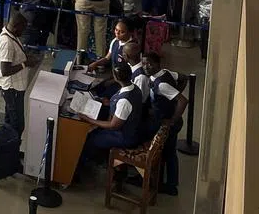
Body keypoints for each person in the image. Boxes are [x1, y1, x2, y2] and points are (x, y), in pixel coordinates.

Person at [142, 51, 189, 195]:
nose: (146, 66)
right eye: (144, 63)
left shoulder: (161, 85)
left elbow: (183, 100)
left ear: (158, 64)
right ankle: (167, 181)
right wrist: (174, 93)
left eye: (150, 63)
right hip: (164, 116)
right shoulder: (166, 73)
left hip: (169, 121)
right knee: (168, 151)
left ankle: (171, 186)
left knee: (169, 152)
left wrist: (172, 120)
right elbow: (183, 77)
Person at [80, 63, 146, 163]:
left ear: (116, 78)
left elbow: (113, 125)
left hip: (125, 136)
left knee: (92, 139)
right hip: (132, 127)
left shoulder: (124, 101)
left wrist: (89, 120)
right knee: (97, 127)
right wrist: (110, 103)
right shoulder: (135, 88)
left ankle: (88, 160)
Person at [0, 11, 40, 137]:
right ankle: (12, 151)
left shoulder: (12, 35)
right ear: (16, 26)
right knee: (17, 125)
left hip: (17, 88)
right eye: (23, 28)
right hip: (12, 89)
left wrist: (26, 58)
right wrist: (25, 64)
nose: (24, 31)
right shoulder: (7, 43)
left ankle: (6, 149)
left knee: (10, 121)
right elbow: (5, 70)